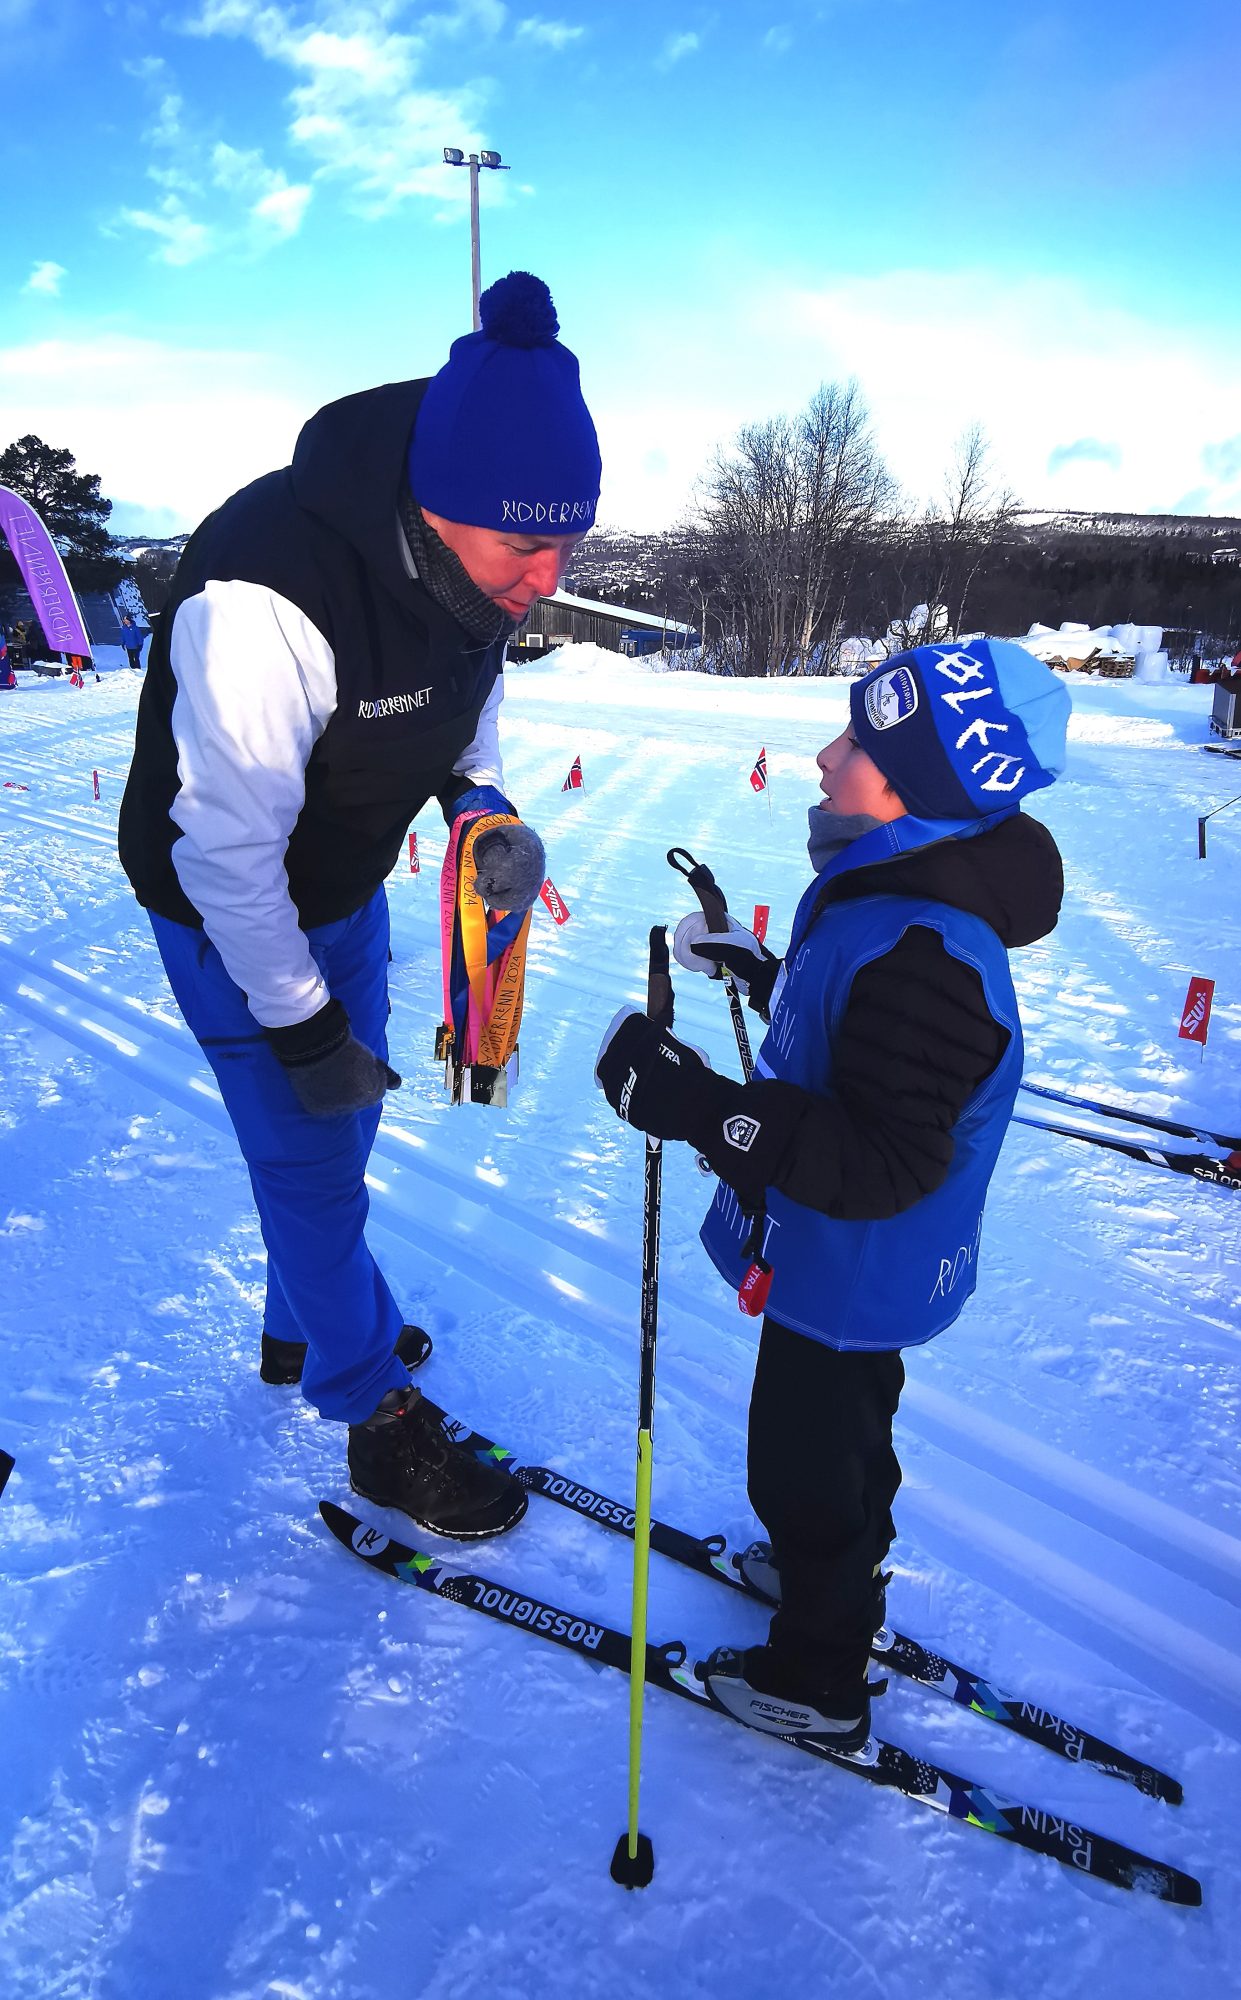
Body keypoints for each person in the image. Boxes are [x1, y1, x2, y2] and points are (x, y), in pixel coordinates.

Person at [118, 270, 601, 1540]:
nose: (546, 580)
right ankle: (365, 1401)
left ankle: (306, 1326)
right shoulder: (268, 591)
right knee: (313, 1155)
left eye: (568, 546)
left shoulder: (474, 568)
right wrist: (297, 1024)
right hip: (227, 906)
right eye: (524, 550)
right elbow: (225, 854)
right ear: (436, 507)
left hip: (336, 884)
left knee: (340, 1146)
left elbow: (471, 696)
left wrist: (477, 804)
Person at [596, 640, 1070, 1749]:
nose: (822, 752)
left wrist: (699, 1106)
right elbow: (856, 1039)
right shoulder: (896, 891)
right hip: (840, 1261)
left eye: (858, 743)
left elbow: (882, 1157)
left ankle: (817, 1669)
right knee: (839, 1435)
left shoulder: (927, 952)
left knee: (803, 1454)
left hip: (856, 1262)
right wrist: (759, 969)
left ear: (920, 791)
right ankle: (830, 1564)